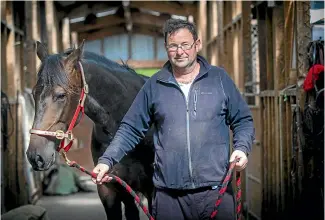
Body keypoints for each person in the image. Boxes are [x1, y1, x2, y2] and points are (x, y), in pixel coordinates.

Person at [92, 18, 255, 220]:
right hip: (168, 197)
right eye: (173, 46)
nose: (180, 52)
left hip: (216, 192)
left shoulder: (219, 80)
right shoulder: (154, 85)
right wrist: (107, 160)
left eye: (185, 45)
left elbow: (243, 120)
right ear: (166, 48)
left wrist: (241, 148)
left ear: (198, 44)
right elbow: (130, 128)